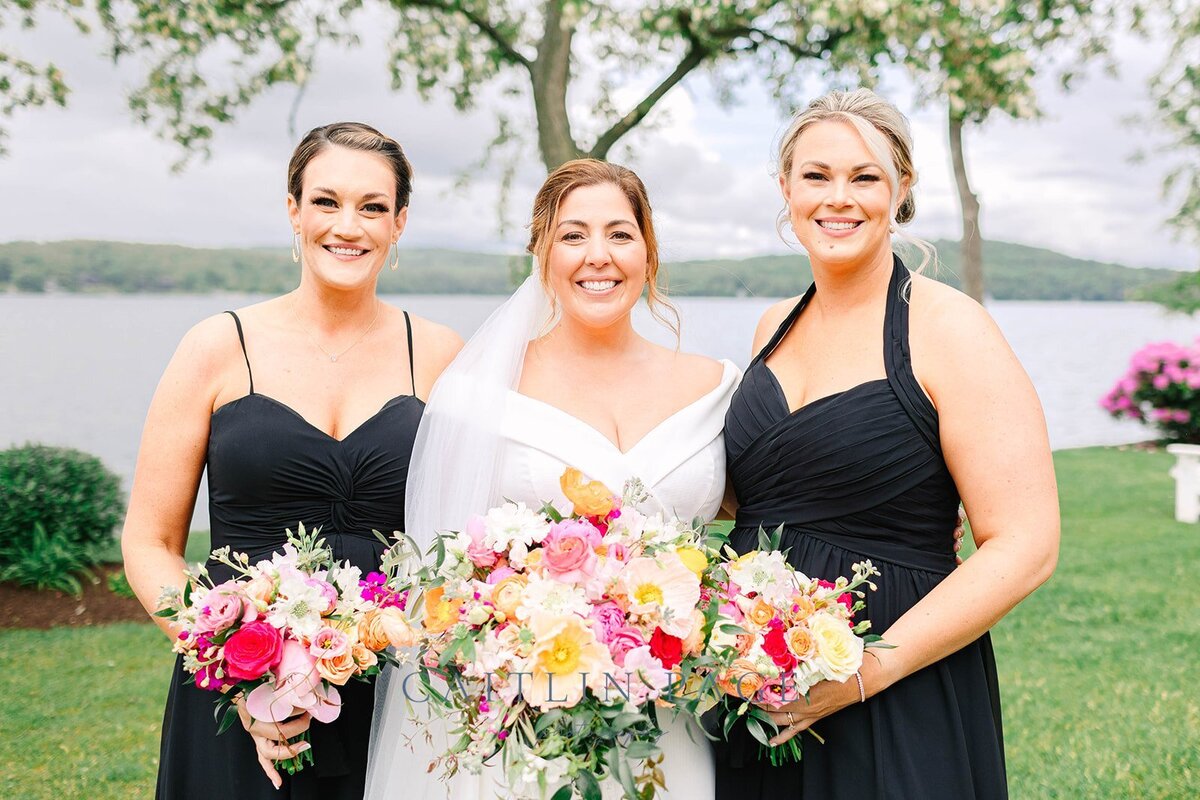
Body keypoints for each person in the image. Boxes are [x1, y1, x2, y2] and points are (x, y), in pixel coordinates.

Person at [713, 88, 1059, 798]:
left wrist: (865, 671)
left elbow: (1027, 544)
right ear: (785, 189)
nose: (838, 198)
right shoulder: (773, 325)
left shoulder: (947, 327)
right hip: (758, 691)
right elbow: (769, 494)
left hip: (897, 696)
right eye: (816, 176)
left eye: (864, 177)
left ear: (901, 191)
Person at [366, 159, 737, 799]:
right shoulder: (477, 395)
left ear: (649, 251)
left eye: (621, 234)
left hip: (673, 717)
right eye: (573, 235)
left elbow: (773, 500)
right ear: (542, 252)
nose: (599, 256)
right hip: (522, 730)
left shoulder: (718, 388)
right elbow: (442, 578)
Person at [121, 122, 462, 799]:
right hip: (233, 690)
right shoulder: (217, 347)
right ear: (293, 210)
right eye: (326, 201)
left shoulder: (443, 355)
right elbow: (149, 541)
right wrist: (233, 667)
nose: (348, 226)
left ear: (399, 223)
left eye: (372, 207)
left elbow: (470, 530)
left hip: (392, 695)